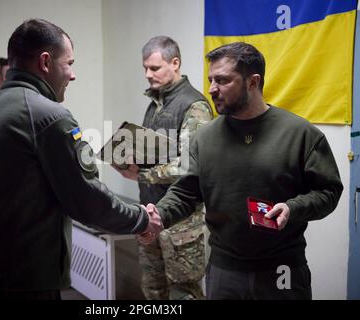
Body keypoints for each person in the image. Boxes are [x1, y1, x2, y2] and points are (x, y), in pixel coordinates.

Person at [0, 19, 162, 300]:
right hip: (23, 286)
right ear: (45, 62)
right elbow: (86, 200)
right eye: (69, 63)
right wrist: (141, 219)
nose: (72, 75)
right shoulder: (49, 117)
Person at [145, 42, 343, 300]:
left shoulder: (300, 135)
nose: (212, 89)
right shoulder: (204, 139)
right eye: (210, 79)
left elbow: (328, 191)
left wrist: (293, 208)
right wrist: (158, 214)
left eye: (223, 80)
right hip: (224, 269)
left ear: (253, 81)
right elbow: (185, 193)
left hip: (282, 268)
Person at [115, 36, 213, 300]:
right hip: (150, 212)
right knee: (153, 289)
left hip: (181, 222)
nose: (148, 74)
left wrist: (143, 174)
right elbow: (157, 154)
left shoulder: (195, 105)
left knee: (183, 293)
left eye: (154, 68)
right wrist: (129, 159)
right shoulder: (155, 103)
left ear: (175, 63)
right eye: (145, 68)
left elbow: (190, 165)